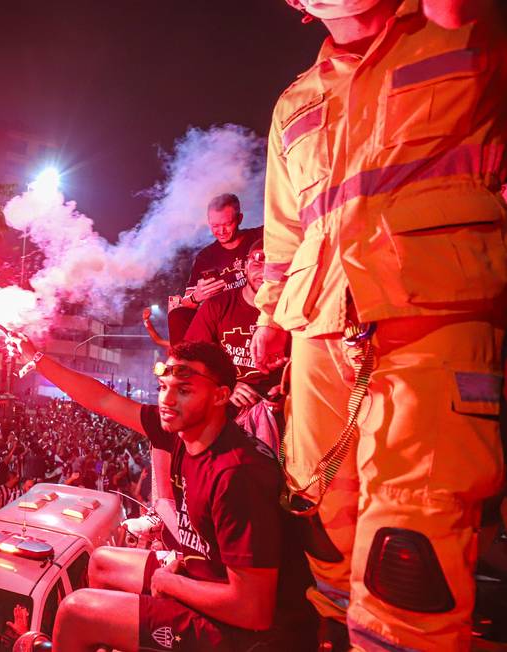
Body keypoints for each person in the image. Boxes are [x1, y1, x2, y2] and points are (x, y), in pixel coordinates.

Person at [249, 1, 507, 649]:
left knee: (410, 550)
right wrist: (271, 324)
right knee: (323, 527)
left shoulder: (464, 26)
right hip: (319, 330)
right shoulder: (294, 104)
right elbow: (285, 232)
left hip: (435, 313)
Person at [11, 338, 314, 651]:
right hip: (207, 578)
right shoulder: (183, 432)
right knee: (102, 563)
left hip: (252, 636)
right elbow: (102, 399)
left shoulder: (237, 474)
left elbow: (253, 610)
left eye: (184, 390)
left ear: (220, 396)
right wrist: (38, 358)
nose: (167, 400)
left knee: (76, 612)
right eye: (164, 386)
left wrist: (172, 583)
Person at [185, 239, 286, 452]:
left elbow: (307, 362)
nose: (265, 272)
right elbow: (189, 357)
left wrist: (289, 392)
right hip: (225, 414)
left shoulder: (292, 311)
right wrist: (227, 385)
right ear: (245, 266)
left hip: (280, 418)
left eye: (272, 265)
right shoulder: (218, 306)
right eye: (258, 262)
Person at [167, 194, 264, 346]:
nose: (221, 231)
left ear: (239, 219)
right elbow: (187, 303)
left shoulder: (260, 237)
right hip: (225, 315)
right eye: (215, 226)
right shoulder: (205, 257)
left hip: (260, 306)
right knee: (178, 315)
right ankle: (184, 364)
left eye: (227, 224)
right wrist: (196, 297)